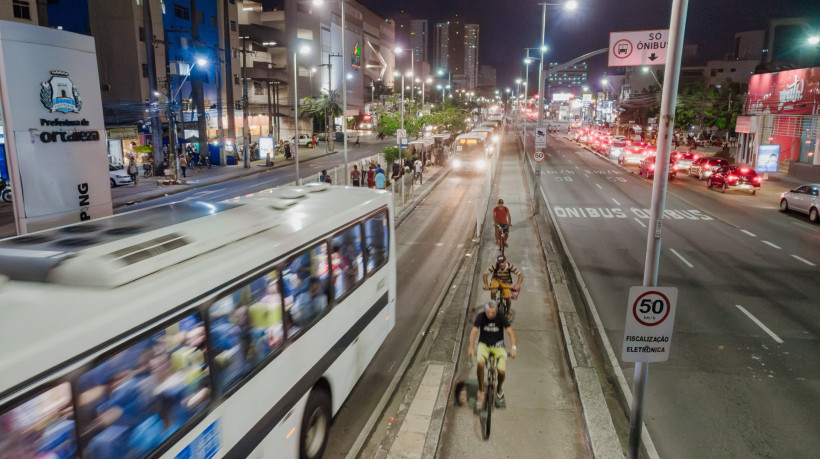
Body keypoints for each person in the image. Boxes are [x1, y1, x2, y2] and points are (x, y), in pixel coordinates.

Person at [468, 301, 517, 409]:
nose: (491, 314)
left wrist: (513, 348)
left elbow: (510, 332)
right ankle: (481, 390)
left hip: (498, 346)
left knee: (501, 371)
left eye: (494, 312)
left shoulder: (501, 317)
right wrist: (471, 347)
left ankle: (499, 388)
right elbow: (474, 332)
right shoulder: (480, 316)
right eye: (489, 312)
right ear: (485, 311)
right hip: (484, 345)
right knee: (480, 363)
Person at [482, 255, 523, 320]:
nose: (501, 264)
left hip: (506, 282)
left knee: (508, 297)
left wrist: (518, 284)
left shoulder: (510, 266)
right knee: (493, 291)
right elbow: (485, 274)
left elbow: (520, 274)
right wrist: (486, 285)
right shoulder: (495, 266)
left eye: (502, 262)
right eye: (499, 262)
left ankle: (508, 312)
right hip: (496, 280)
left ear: (505, 261)